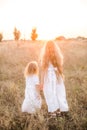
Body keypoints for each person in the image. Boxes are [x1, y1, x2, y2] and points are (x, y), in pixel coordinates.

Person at [40, 40, 69, 116]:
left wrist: (42, 82)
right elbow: (58, 69)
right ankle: (57, 111)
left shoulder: (49, 57)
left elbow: (43, 71)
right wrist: (42, 82)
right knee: (55, 93)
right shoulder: (51, 57)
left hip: (52, 78)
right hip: (53, 78)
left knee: (53, 93)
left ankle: (55, 111)